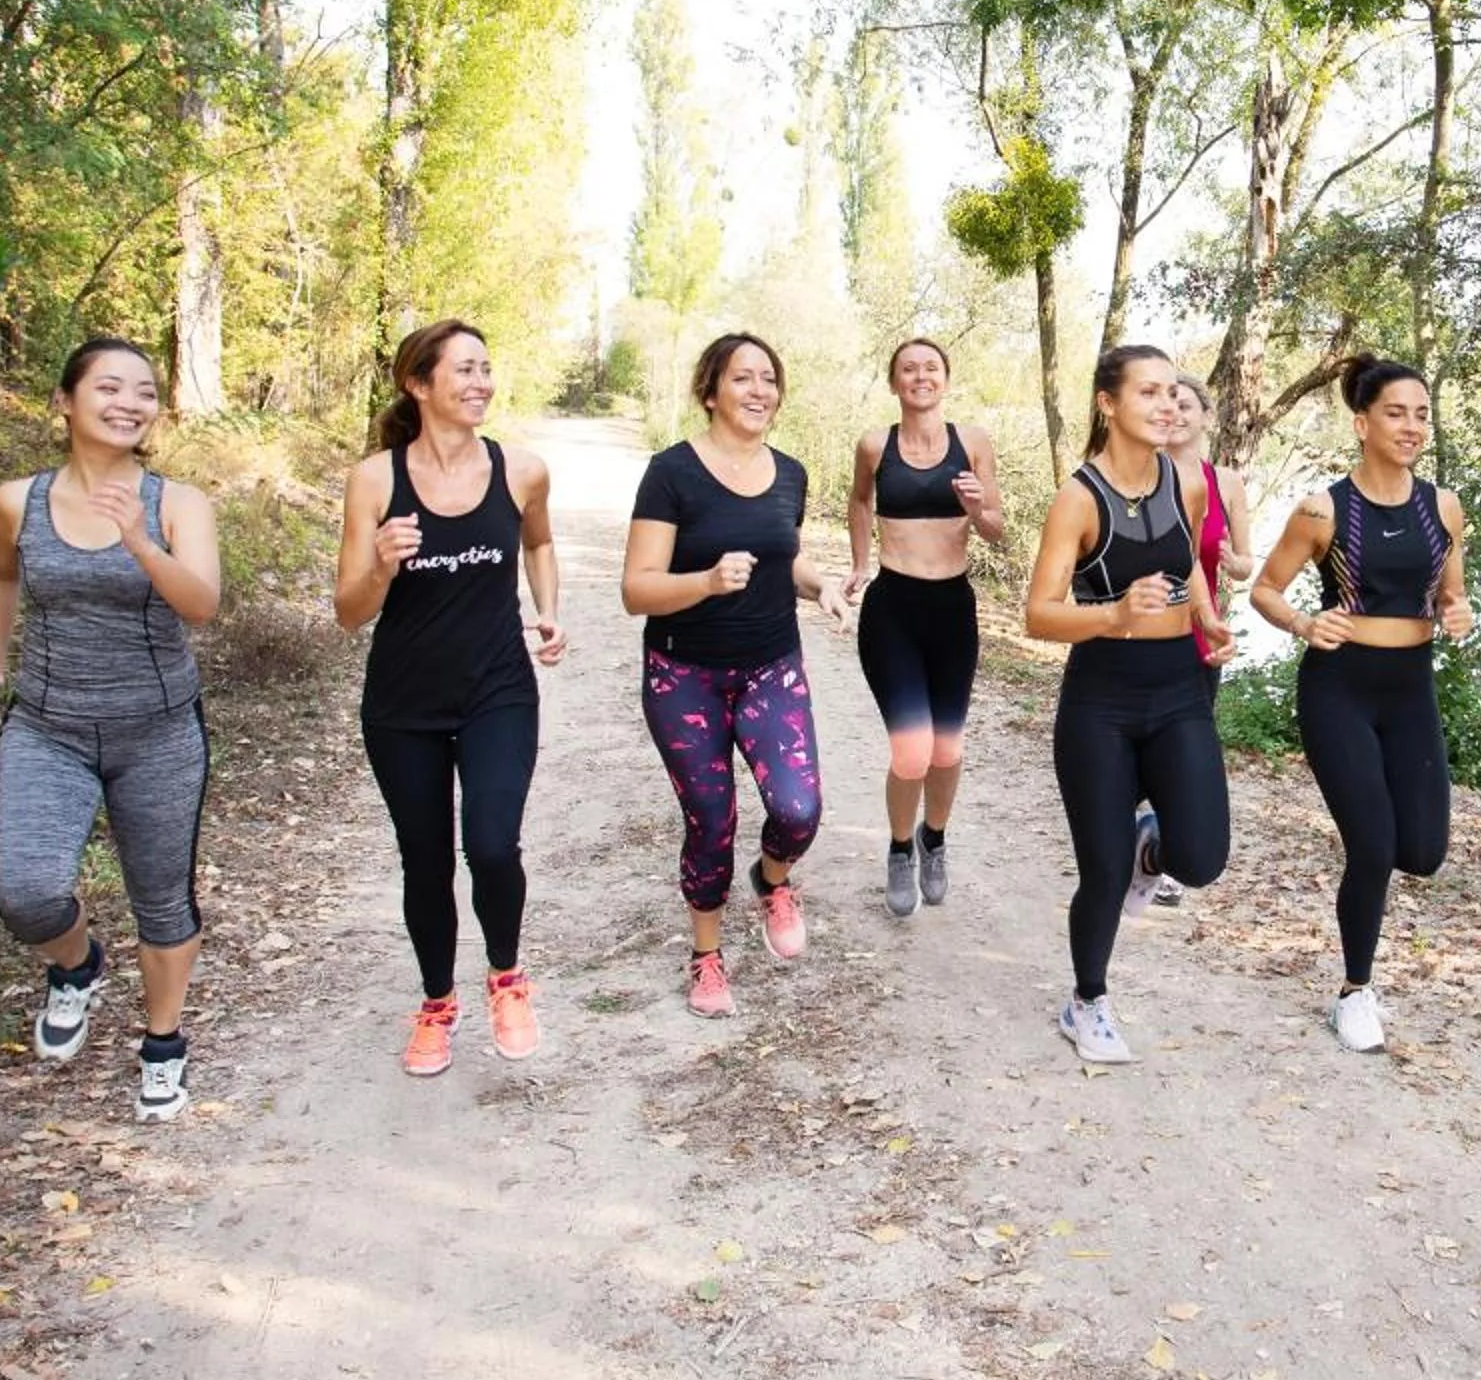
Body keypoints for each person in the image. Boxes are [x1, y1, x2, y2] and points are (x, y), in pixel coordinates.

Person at [0, 337, 223, 1123]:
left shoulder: (178, 503)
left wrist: (140, 541)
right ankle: (75, 967)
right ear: (65, 402)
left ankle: (163, 1045)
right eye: (109, 388)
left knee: (162, 900)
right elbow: (0, 572)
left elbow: (201, 605)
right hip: (48, 726)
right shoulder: (19, 499)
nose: (129, 403)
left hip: (159, 730)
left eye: (144, 392)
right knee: (27, 893)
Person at [333, 320, 566, 1078]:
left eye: (487, 369)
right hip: (403, 704)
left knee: (493, 846)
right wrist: (381, 566)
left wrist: (548, 607)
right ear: (418, 382)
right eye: (463, 370)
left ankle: (506, 978)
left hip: (498, 690)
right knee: (425, 862)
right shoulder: (375, 480)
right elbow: (348, 610)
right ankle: (437, 1003)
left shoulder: (521, 469)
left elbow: (538, 541)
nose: (480, 383)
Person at [621, 332, 851, 1018]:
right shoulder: (672, 473)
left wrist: (822, 588)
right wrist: (707, 580)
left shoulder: (791, 473)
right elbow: (637, 589)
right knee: (711, 819)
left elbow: (789, 558)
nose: (759, 391)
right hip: (682, 675)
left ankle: (773, 878)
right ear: (710, 390)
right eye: (743, 378)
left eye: (769, 379)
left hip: (771, 668)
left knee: (798, 810)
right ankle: (707, 957)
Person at [1247, 355, 1472, 1054]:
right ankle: (1355, 992)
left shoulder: (1444, 506)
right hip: (1338, 687)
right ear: (1362, 422)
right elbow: (1265, 590)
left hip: (1410, 690)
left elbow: (1449, 595)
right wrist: (1305, 624)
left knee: (1424, 852)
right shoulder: (1323, 510)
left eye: (1421, 414)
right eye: (1397, 413)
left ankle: (1360, 972)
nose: (1412, 427)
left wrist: (1461, 613)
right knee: (1371, 846)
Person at [1020, 344, 1235, 1064]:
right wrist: (1114, 613)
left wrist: (1203, 617)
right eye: (1149, 392)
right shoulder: (1078, 498)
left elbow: (1186, 567)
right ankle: (1087, 1002)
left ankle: (1157, 851)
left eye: (1174, 392)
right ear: (1108, 404)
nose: (1167, 404)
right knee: (1103, 870)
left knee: (1201, 858)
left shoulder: (1187, 482)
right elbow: (1040, 615)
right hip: (1102, 697)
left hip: (1178, 686)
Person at [844, 338, 1005, 917]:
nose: (920, 377)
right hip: (892, 610)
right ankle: (897, 849)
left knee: (947, 748)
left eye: (930, 368)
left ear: (945, 379)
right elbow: (859, 502)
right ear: (894, 383)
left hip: (952, 610)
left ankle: (933, 839)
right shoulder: (873, 444)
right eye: (908, 369)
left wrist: (975, 506)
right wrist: (861, 564)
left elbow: (996, 529)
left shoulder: (973, 442)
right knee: (911, 752)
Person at [1142, 374, 1254, 905]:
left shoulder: (1224, 482)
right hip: (1137, 630)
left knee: (1183, 752)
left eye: (1187, 405)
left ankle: (1162, 852)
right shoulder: (1138, 470)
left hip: (1201, 635)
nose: (1177, 413)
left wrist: (1237, 564)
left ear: (1207, 417)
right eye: (1169, 404)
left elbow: (1245, 564)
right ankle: (1128, 833)